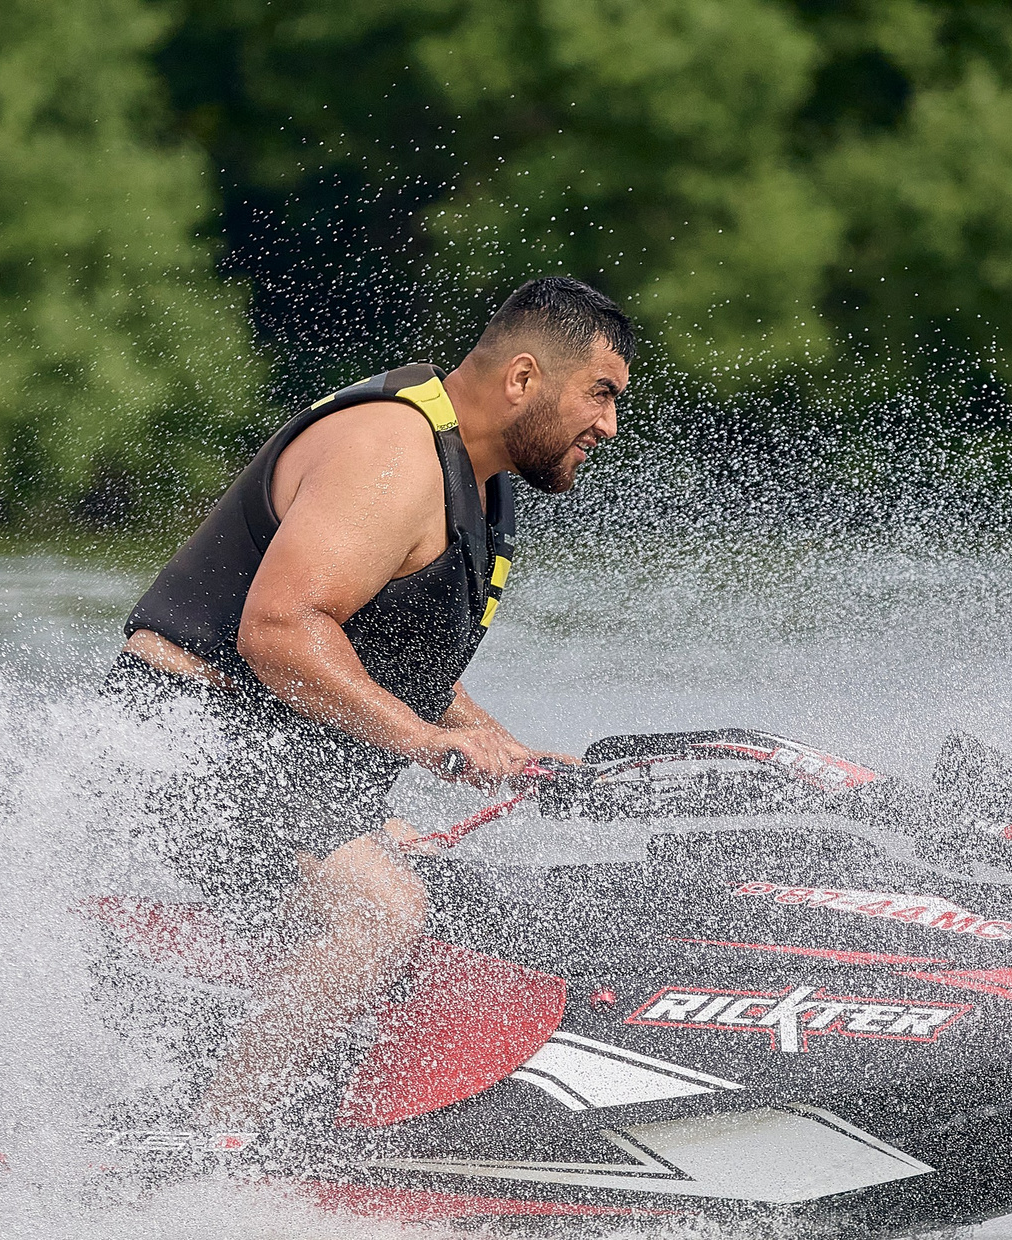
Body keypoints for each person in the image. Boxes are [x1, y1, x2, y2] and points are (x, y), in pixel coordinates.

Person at [106, 275, 634, 1136]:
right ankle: (211, 1148)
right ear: (523, 378)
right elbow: (281, 631)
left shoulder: (478, 477)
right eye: (601, 394)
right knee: (379, 910)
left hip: (264, 759)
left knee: (455, 891)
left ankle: (377, 1128)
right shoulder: (394, 449)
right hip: (182, 738)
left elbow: (396, 657)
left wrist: (504, 748)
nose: (610, 426)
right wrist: (427, 743)